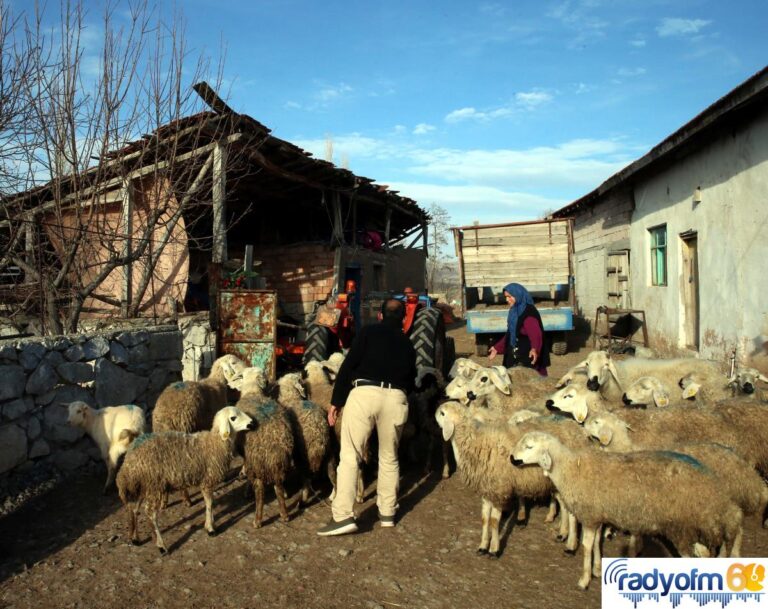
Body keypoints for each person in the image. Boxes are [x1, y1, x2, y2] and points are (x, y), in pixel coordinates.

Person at [317, 298, 417, 536]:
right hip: (396, 398)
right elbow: (411, 380)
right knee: (389, 457)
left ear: (380, 316)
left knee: (350, 456)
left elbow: (348, 366)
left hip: (364, 394)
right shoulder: (407, 344)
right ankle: (387, 513)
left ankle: (342, 517)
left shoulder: (368, 332)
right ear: (403, 319)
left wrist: (336, 402)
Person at [487, 282, 550, 377]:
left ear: (518, 295)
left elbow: (536, 335)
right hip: (515, 357)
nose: (507, 300)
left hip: (527, 358)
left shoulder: (528, 313)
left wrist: (534, 349)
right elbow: (511, 334)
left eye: (510, 297)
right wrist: (497, 348)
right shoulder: (514, 312)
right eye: (506, 297)